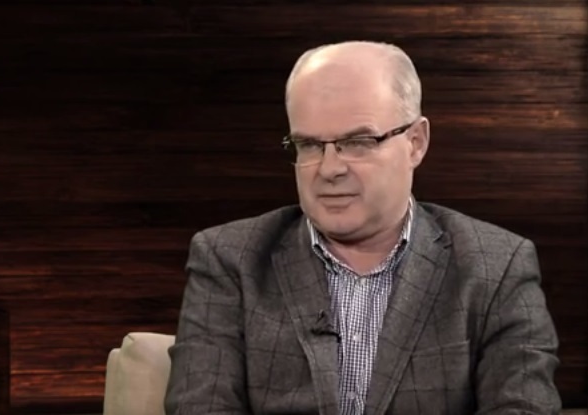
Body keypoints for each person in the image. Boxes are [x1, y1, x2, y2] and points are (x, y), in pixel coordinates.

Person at [164, 40, 561, 415]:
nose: (330, 169)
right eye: (309, 145)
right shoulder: (230, 260)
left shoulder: (496, 266)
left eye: (358, 142)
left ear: (416, 142)